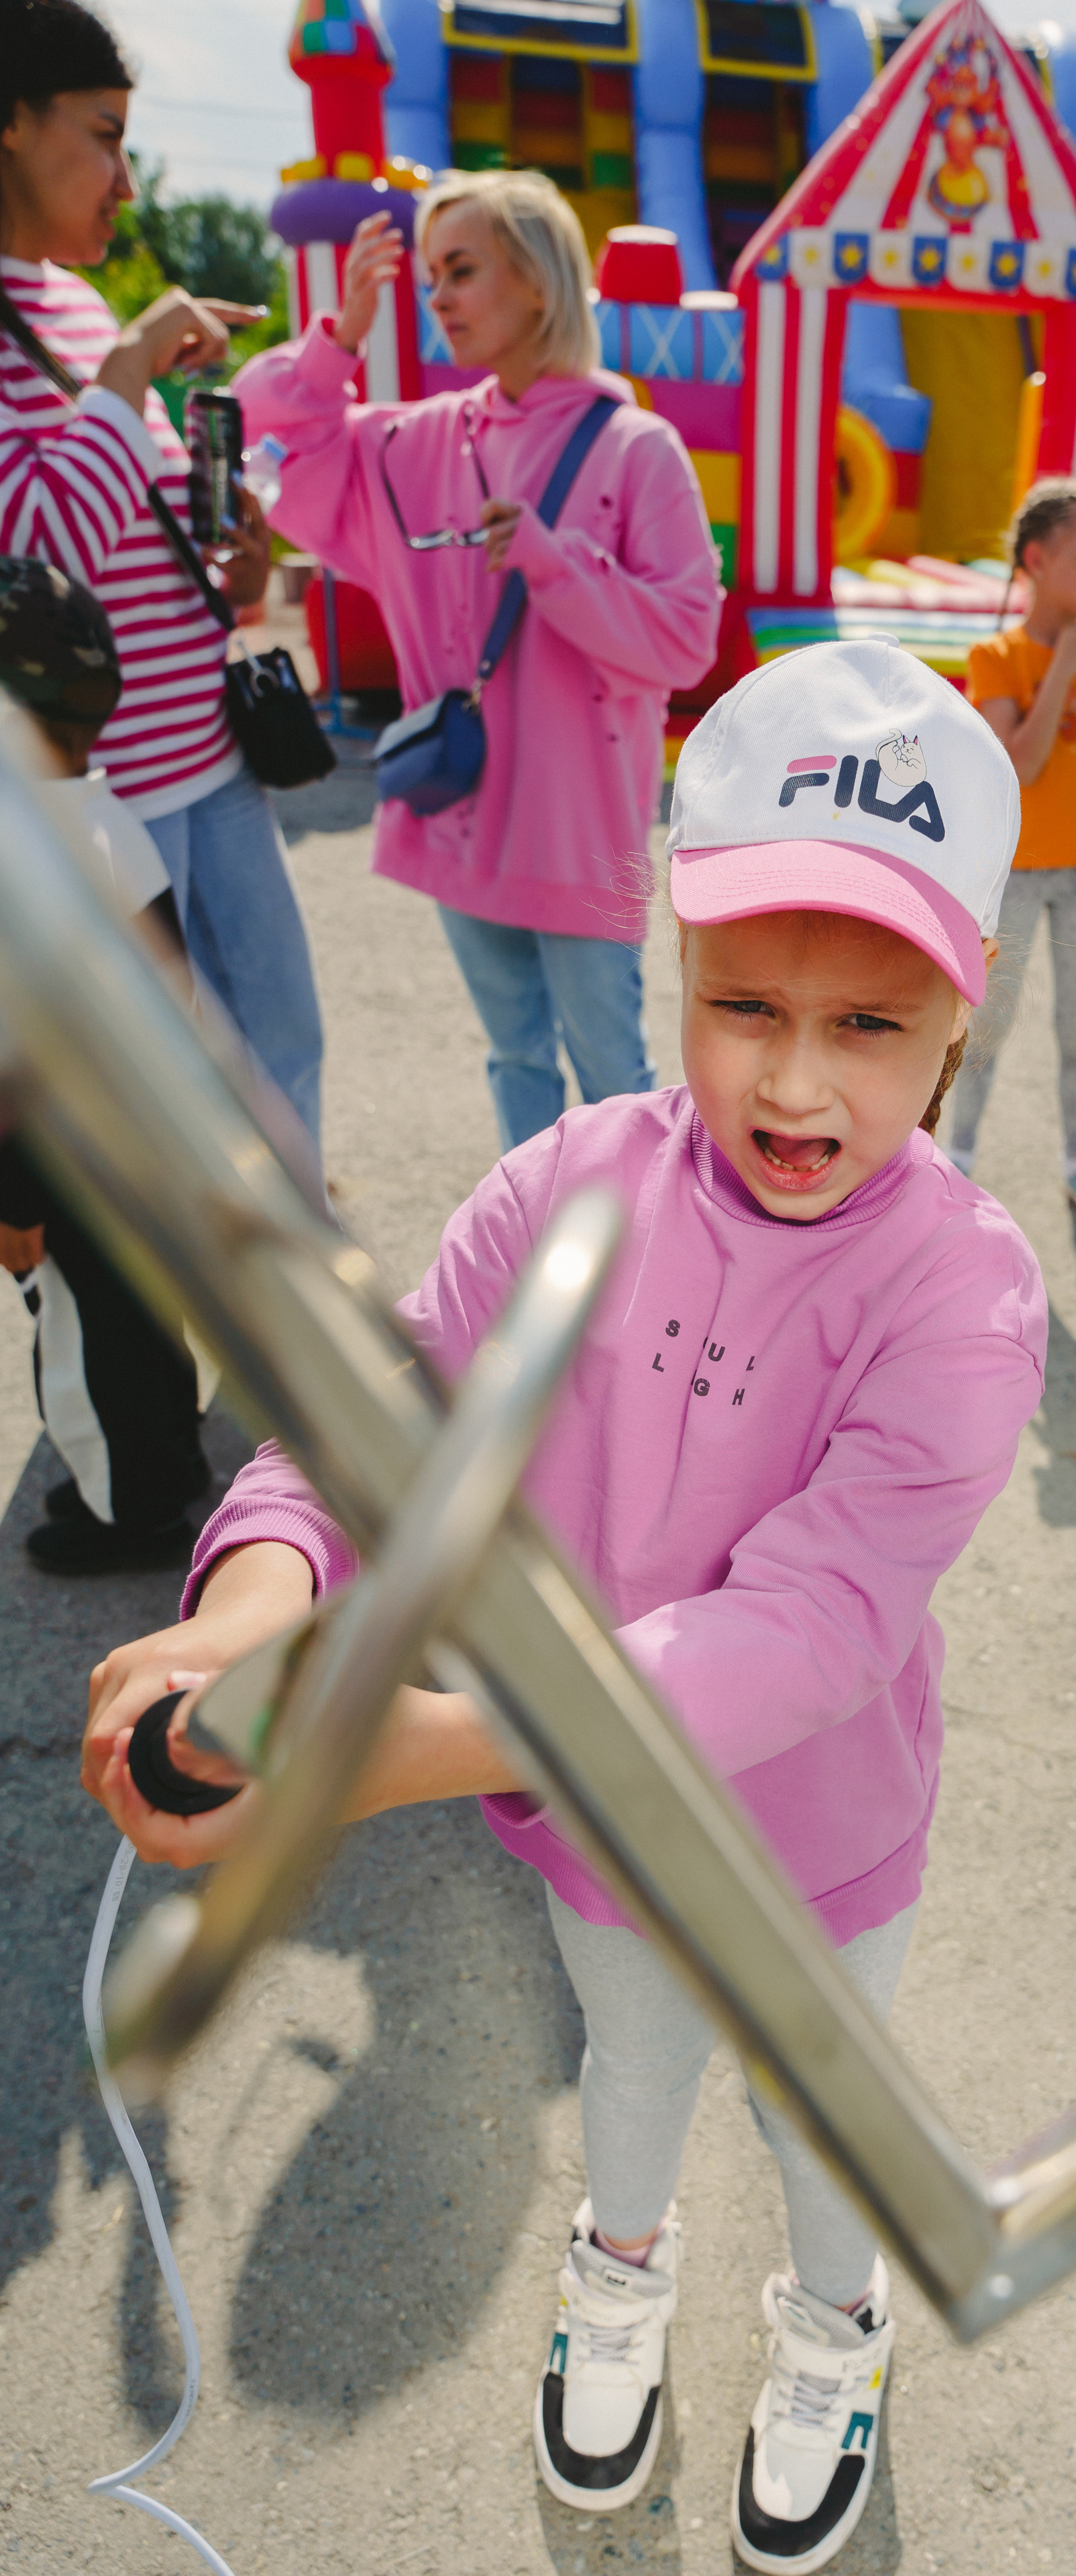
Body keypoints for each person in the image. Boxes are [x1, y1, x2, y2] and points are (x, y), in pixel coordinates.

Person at [81, 638, 1046, 2575]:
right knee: (628, 2063)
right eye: (742, 1002)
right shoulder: (566, 1188)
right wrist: (249, 1610)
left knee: (817, 2109)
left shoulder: (966, 1291)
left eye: (867, 1023)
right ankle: (619, 2281)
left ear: (962, 1016)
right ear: (669, 964)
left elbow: (815, 1624)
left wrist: (396, 1747)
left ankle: (836, 2335)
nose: (790, 1076)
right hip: (592, 1836)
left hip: (821, 1849)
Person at [234, 172, 724, 1154]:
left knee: (614, 1083)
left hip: (584, 838)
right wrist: (339, 338)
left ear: (538, 283)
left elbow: (684, 642)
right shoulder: (422, 442)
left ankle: (631, 1287)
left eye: (461, 271)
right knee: (514, 1061)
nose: (438, 297)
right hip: (464, 818)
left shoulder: (641, 450)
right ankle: (534, 1269)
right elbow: (264, 438)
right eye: (429, 277)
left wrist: (552, 560)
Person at [0, 0, 325, 1150]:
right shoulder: (98, 328)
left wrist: (233, 556)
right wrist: (134, 362)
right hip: (108, 798)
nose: (127, 183)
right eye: (104, 135)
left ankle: (292, 1322)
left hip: (214, 755)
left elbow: (126, 521)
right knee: (149, 1114)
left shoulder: (75, 302)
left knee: (284, 1058)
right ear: (13, 124)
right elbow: (36, 557)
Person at [0, 554, 209, 1570]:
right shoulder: (103, 820)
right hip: (152, 1134)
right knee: (146, 1320)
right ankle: (168, 1462)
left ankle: (132, 1513)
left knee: (85, 1341)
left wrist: (16, 1202)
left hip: (70, 1160)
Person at [947, 476, 1076, 1220]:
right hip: (1015, 879)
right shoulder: (996, 657)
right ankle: (955, 1156)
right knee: (987, 1023)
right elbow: (1019, 766)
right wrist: (1063, 665)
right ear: (1035, 559)